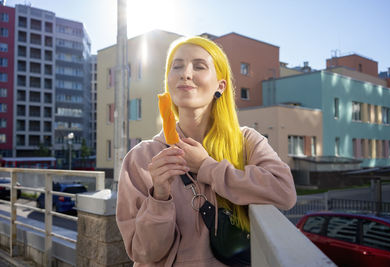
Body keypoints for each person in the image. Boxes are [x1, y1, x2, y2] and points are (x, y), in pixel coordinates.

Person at [116, 36, 296, 266]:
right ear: (169, 81)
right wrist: (159, 196)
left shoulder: (247, 142)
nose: (186, 74)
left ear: (220, 86)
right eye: (177, 66)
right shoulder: (141, 158)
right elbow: (143, 254)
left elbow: (285, 192)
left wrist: (206, 167)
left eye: (199, 66)